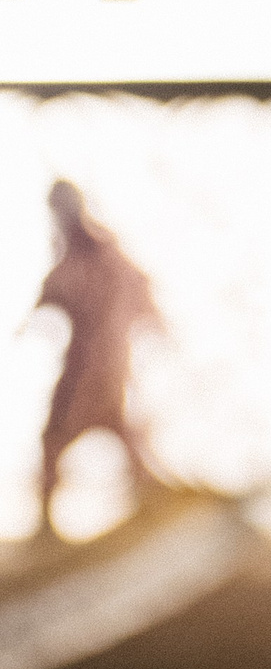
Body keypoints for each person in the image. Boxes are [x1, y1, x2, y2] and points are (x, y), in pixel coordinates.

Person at [33, 181, 161, 534]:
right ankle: (47, 527)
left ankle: (150, 503)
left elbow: (135, 292)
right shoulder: (76, 254)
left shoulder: (98, 253)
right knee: (75, 437)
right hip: (95, 365)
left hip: (97, 368)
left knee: (62, 436)